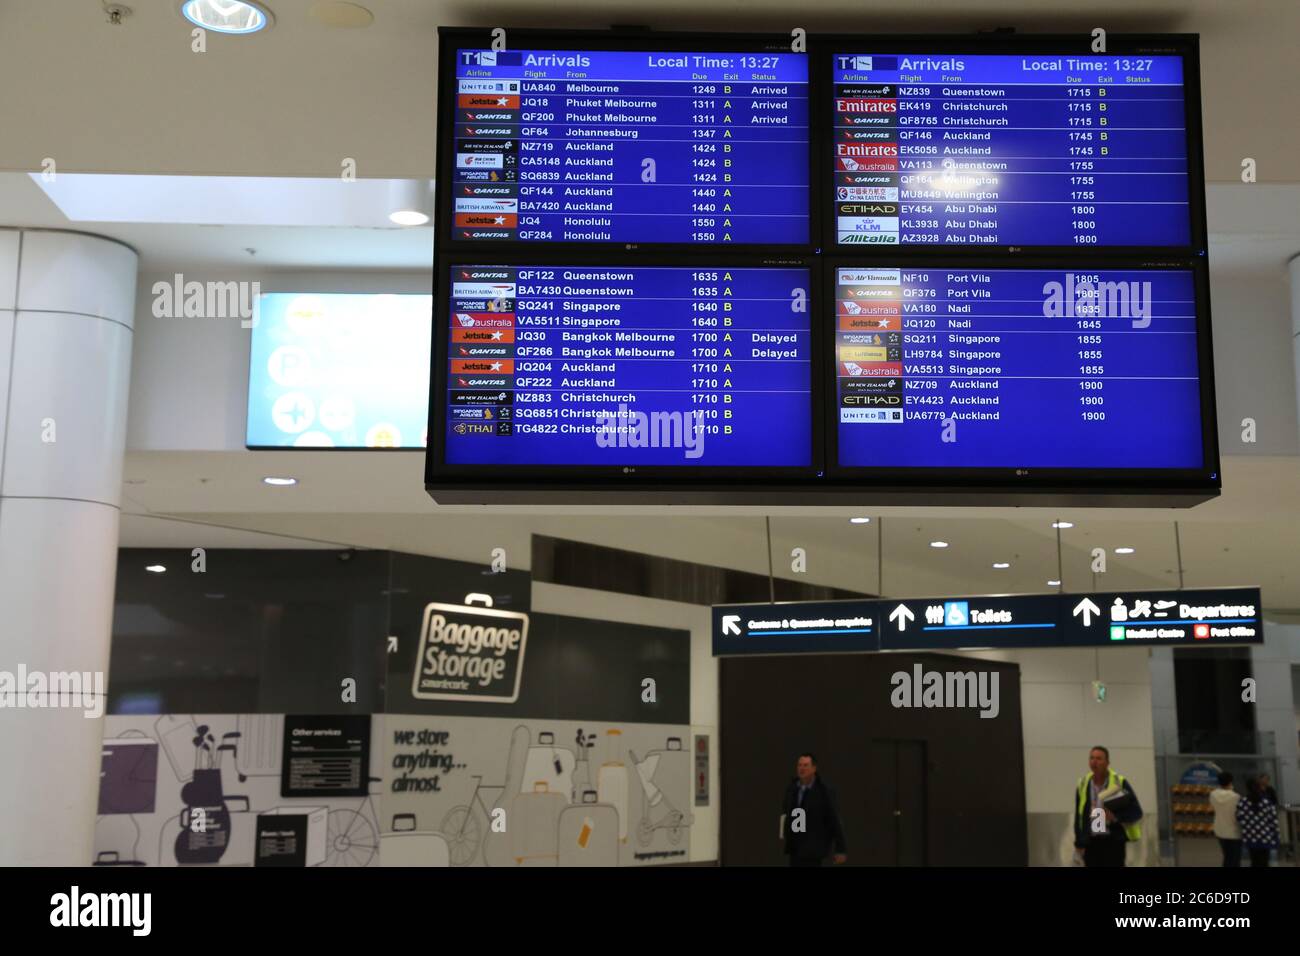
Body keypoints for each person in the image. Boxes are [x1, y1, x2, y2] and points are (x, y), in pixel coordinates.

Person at [1073, 745, 1143, 867]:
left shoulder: (1119, 782)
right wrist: (1079, 844)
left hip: (1113, 842)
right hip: (1091, 843)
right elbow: (1078, 817)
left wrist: (1115, 817)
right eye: (1092, 758)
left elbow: (1136, 811)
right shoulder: (1083, 783)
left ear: (1107, 762)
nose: (1094, 762)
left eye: (1099, 758)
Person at [781, 753, 847, 866]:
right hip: (795, 847)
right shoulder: (792, 789)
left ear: (814, 768)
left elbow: (834, 819)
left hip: (814, 849)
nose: (802, 768)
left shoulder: (823, 791)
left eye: (806, 765)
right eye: (799, 765)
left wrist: (840, 848)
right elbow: (786, 812)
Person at [1236, 776, 1280, 867]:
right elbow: (1274, 821)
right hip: (1265, 837)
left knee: (1254, 861)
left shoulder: (1242, 802)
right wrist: (1275, 837)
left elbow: (1239, 818)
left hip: (1250, 837)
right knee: (1264, 862)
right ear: (1259, 787)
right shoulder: (1266, 802)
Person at [1209, 771, 1242, 867]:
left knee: (1227, 856)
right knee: (1234, 859)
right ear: (1231, 782)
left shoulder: (1213, 795)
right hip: (1234, 832)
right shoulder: (1235, 796)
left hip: (1220, 830)